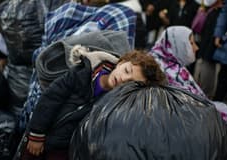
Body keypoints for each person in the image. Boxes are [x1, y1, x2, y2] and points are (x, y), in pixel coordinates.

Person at [22, 47, 167, 159]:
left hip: (63, 149)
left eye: (130, 83)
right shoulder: (83, 73)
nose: (123, 79)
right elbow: (50, 97)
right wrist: (37, 133)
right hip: (40, 133)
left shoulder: (114, 106)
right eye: (127, 71)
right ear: (121, 62)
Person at [149, 26, 204, 97]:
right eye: (191, 43)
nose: (196, 48)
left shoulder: (173, 64)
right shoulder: (163, 71)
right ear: (178, 45)